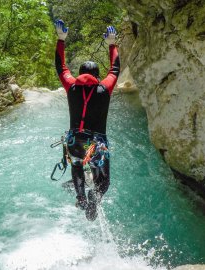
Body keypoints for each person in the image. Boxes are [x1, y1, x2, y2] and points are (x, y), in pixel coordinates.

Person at [54, 20, 120, 221]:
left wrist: (61, 39)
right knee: (104, 182)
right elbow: (115, 69)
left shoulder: (72, 86)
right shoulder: (104, 88)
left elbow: (61, 67)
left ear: (81, 73)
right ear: (97, 76)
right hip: (97, 143)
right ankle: (95, 197)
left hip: (75, 140)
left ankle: (81, 196)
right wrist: (112, 43)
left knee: (76, 166)